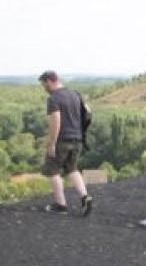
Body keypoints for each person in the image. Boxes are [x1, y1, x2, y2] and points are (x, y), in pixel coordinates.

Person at [38, 70, 93, 216]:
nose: (44, 88)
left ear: (50, 81)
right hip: (77, 139)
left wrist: (52, 143)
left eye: (44, 85)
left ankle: (61, 205)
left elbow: (56, 120)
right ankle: (85, 197)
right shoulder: (75, 94)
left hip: (62, 140)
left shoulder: (54, 98)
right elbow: (88, 111)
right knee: (72, 169)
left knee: (52, 170)